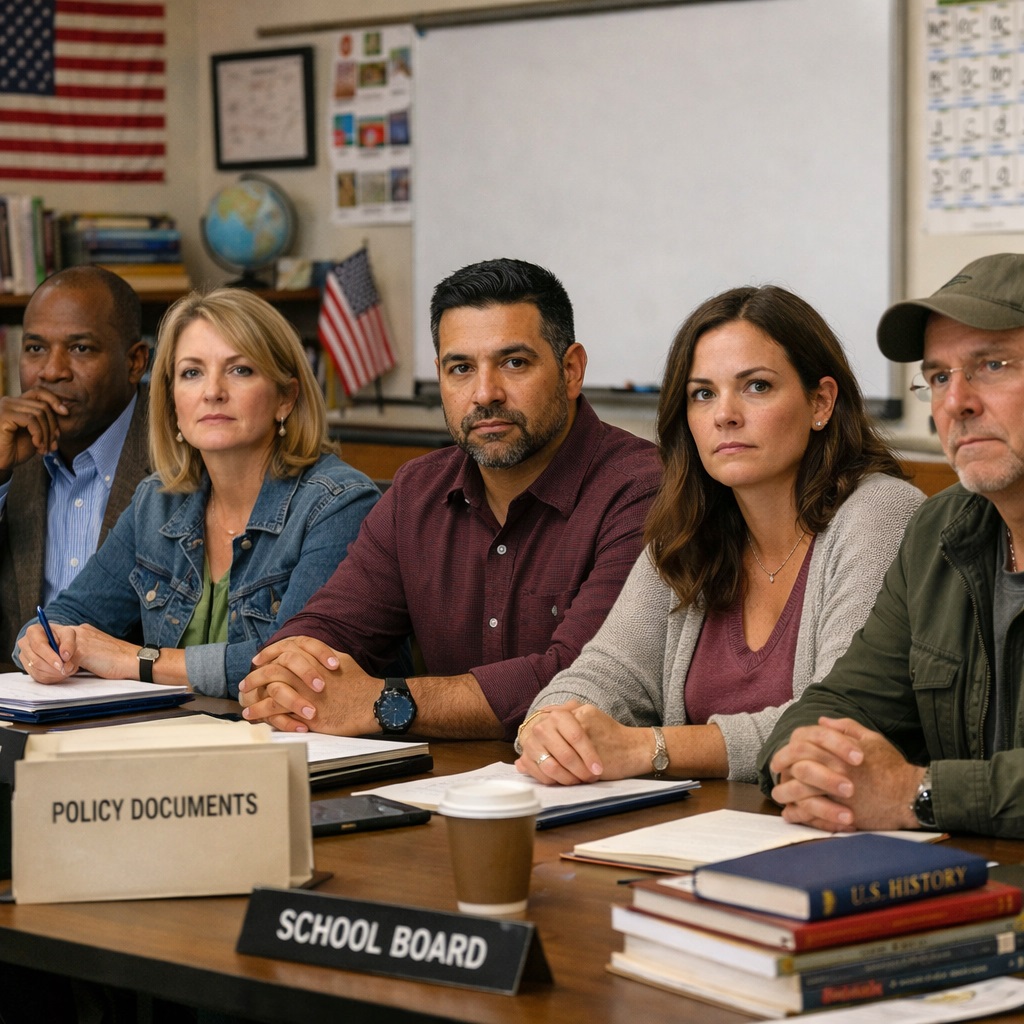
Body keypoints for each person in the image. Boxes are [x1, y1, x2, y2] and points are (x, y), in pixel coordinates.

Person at [237, 258, 661, 739]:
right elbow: (328, 628)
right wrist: (287, 676)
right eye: (461, 368)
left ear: (570, 370)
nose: (485, 393)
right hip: (444, 777)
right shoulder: (417, 491)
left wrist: (384, 703)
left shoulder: (641, 489)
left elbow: (579, 680)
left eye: (514, 363)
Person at [516, 285, 924, 785]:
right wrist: (548, 725)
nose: (724, 414)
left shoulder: (880, 514)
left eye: (757, 386)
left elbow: (839, 725)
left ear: (821, 401)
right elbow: (605, 672)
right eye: (703, 393)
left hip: (826, 821)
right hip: (702, 821)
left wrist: (649, 748)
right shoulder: (689, 527)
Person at [759, 253, 1024, 839]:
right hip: (965, 876)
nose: (956, 403)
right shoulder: (939, 532)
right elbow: (838, 705)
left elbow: (904, 792)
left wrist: (917, 794)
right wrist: (807, 765)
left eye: (992, 365)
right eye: (939, 377)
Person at [14, 288, 379, 699]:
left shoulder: (339, 504)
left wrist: (136, 660)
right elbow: (68, 616)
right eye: (192, 373)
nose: (213, 391)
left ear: (286, 398)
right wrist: (41, 643)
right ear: (172, 402)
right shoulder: (157, 501)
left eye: (240, 370)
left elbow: (295, 666)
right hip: (182, 733)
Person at [0, 266, 151, 659]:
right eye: (35, 349)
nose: (52, 371)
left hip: (145, 693)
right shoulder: (10, 450)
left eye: (80, 348)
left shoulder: (181, 450)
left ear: (135, 363)